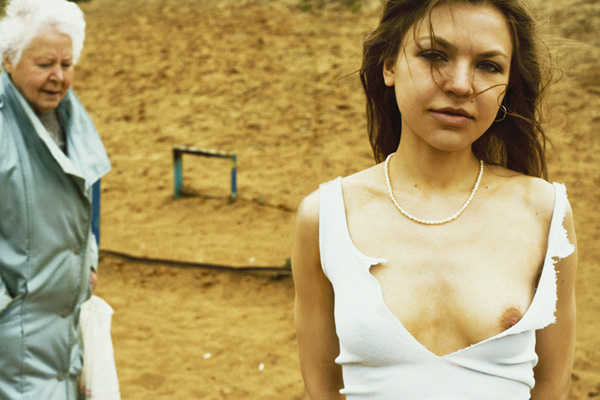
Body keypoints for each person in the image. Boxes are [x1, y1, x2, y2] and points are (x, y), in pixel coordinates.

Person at [291, 0, 578, 399]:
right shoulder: (326, 217)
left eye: (488, 65)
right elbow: (322, 385)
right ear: (389, 66)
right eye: (433, 55)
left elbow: (552, 382)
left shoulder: (545, 212)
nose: (461, 84)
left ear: (508, 85)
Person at [0, 0, 111, 398]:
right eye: (45, 63)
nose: (58, 77)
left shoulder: (72, 117)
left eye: (67, 64)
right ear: (8, 60)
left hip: (64, 338)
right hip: (12, 346)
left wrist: (88, 260)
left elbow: (80, 204)